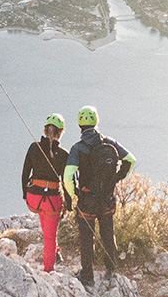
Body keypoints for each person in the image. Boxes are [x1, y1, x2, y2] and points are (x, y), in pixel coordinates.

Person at [62, 104, 136, 286]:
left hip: (87, 200)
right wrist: (117, 178)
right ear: (96, 122)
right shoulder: (109, 143)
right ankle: (111, 270)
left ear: (79, 125)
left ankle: (87, 277)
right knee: (107, 234)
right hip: (107, 199)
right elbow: (130, 160)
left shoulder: (78, 148)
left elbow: (67, 177)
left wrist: (74, 195)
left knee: (86, 239)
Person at [21, 113, 69, 272]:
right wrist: (68, 203)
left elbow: (25, 173)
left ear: (44, 130)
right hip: (52, 200)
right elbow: (66, 182)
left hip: (33, 198)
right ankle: (48, 269)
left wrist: (25, 195)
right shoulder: (64, 155)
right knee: (50, 236)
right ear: (61, 132)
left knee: (46, 221)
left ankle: (56, 252)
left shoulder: (34, 147)